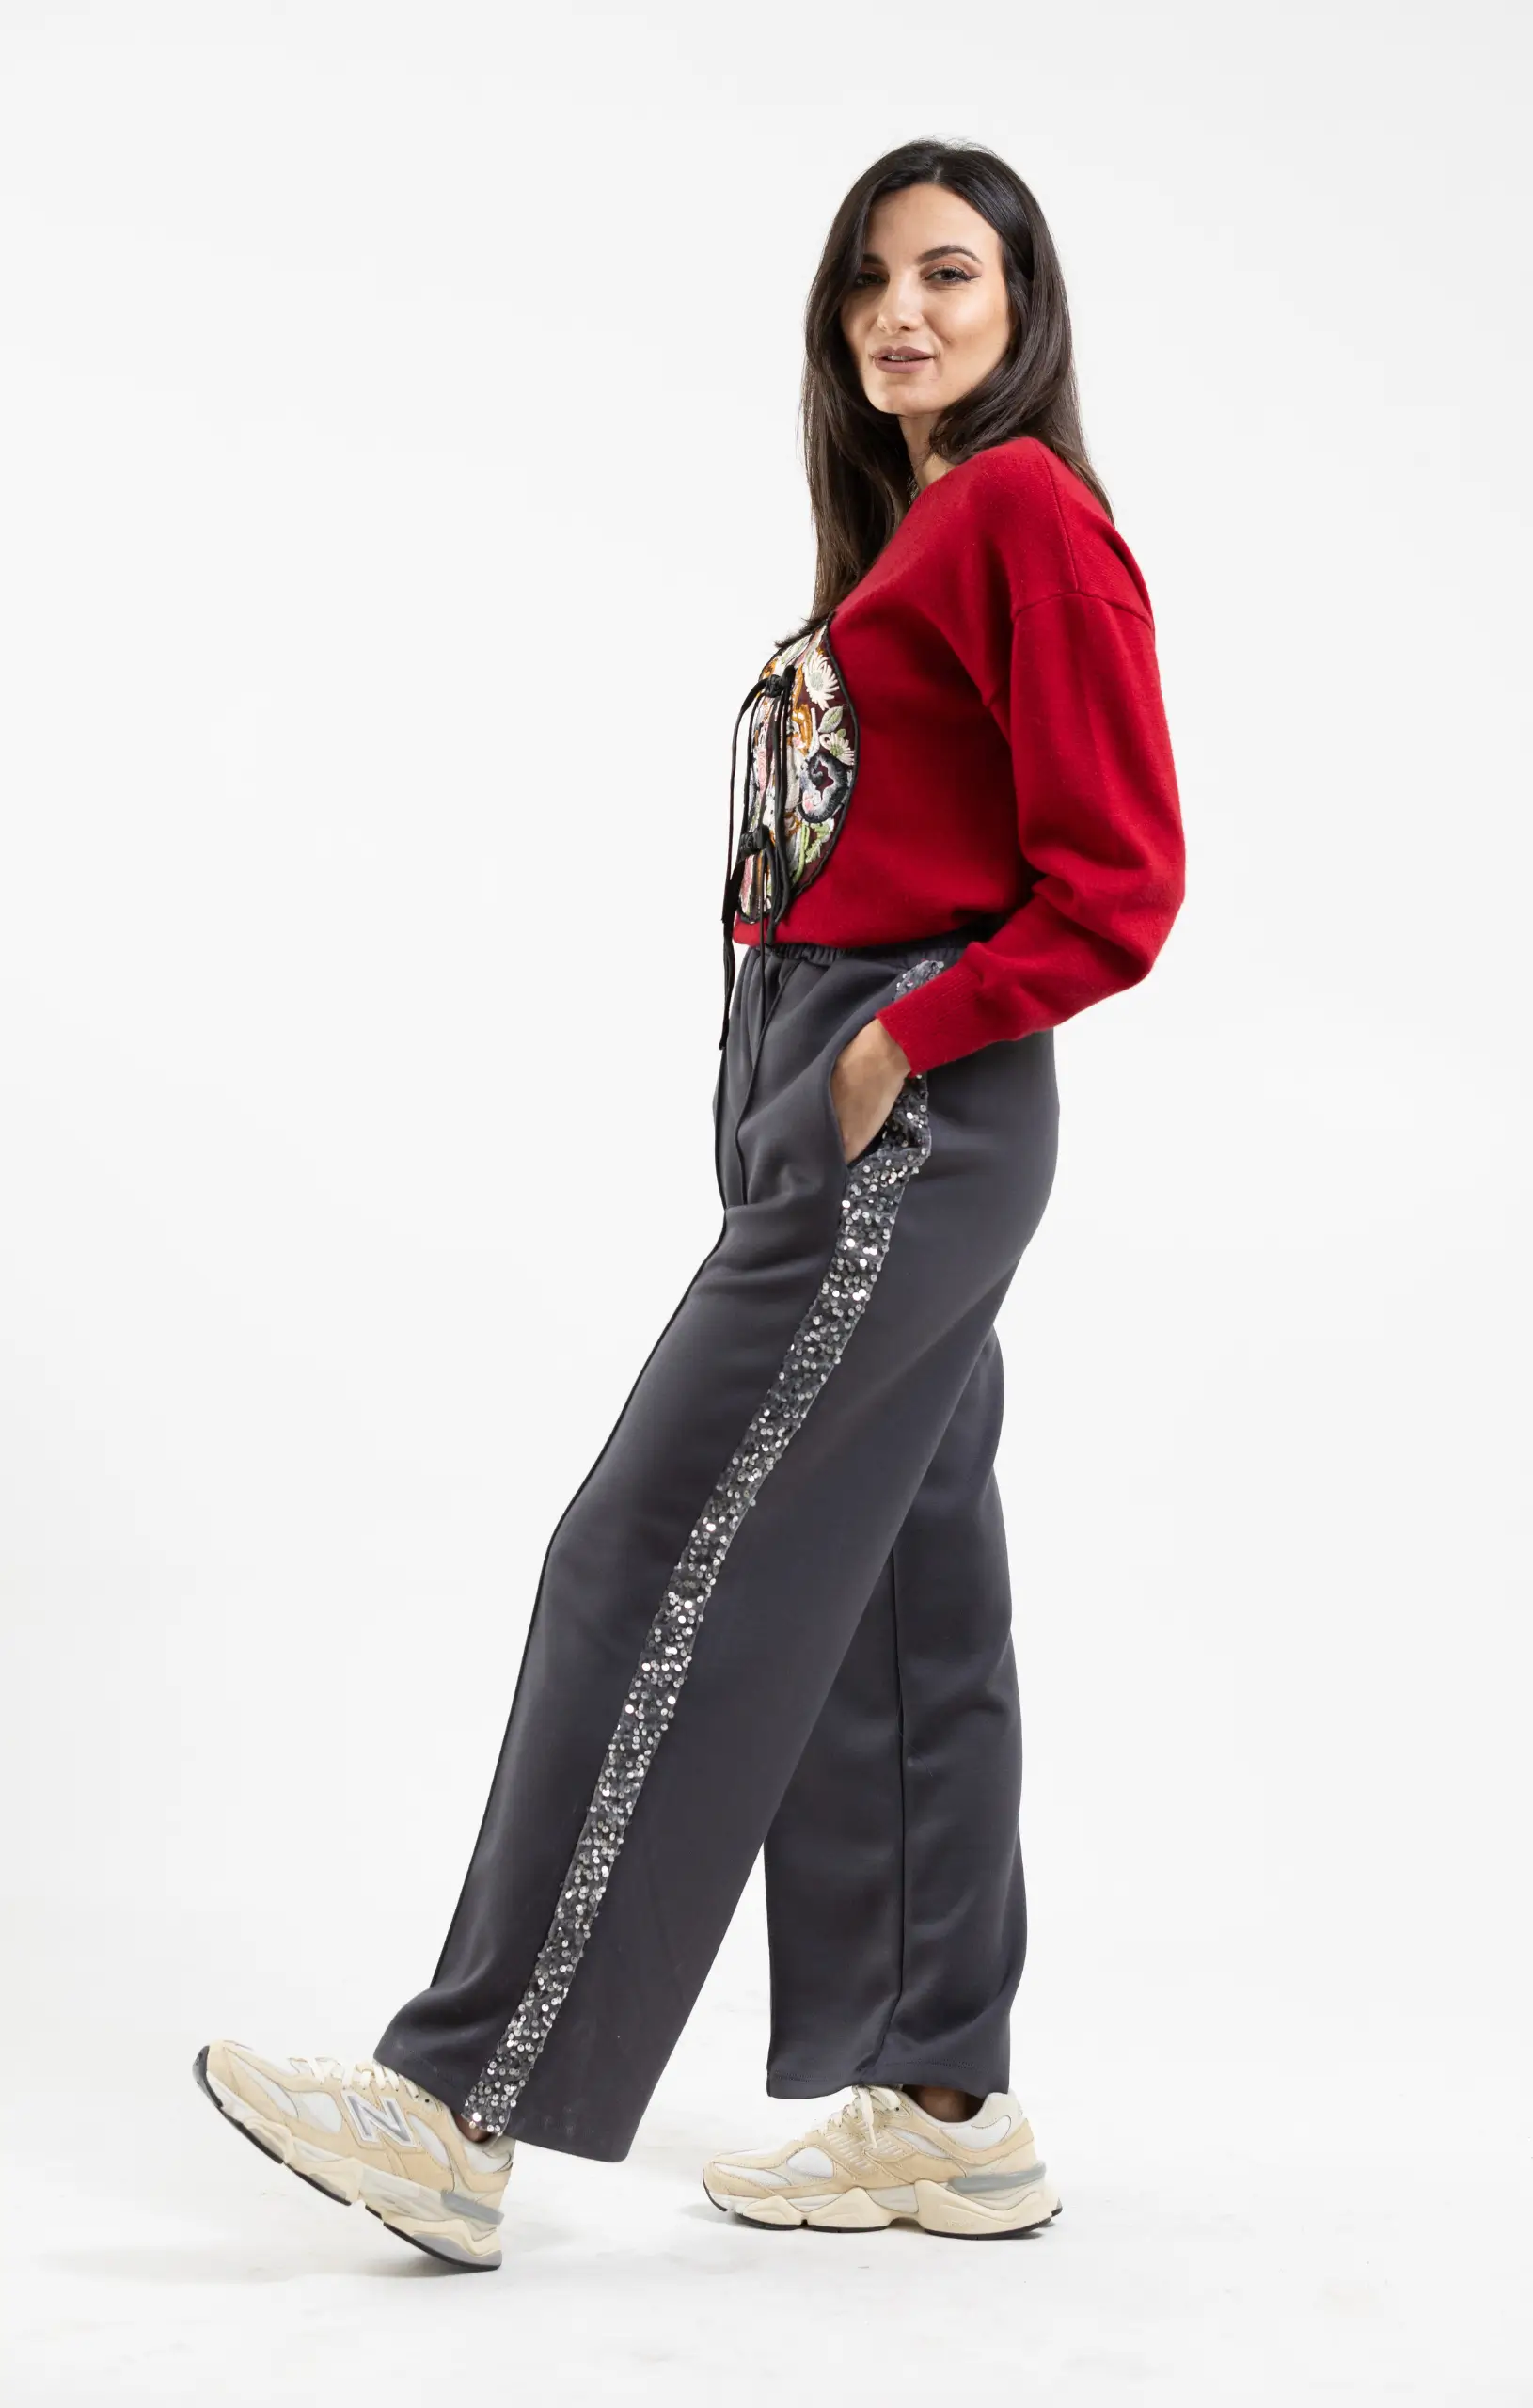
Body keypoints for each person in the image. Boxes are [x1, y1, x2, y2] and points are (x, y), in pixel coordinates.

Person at [197, 135, 1185, 2271]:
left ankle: (458, 2102)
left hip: (910, 1113)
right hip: (847, 1101)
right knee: (904, 1602)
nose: (900, 313)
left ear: (1024, 306)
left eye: (949, 274)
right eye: (869, 281)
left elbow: (1120, 880)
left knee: (642, 1548)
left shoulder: (1023, 511)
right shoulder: (921, 527)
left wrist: (893, 1047)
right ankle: (944, 2105)